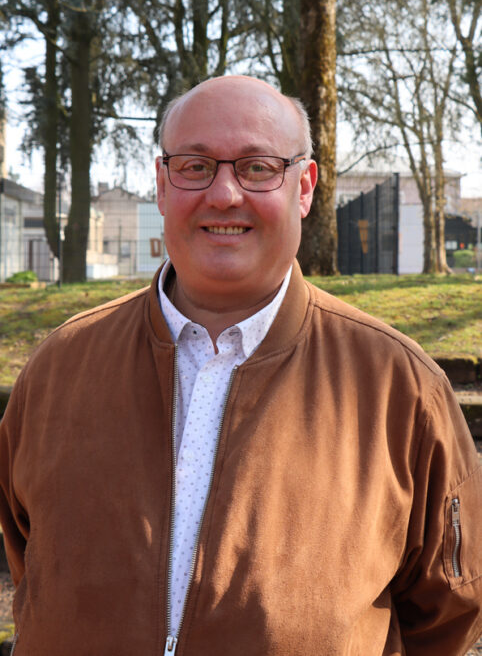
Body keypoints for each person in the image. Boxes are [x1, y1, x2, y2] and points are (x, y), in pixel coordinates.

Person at [0, 75, 481, 656]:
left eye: (257, 168)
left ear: (304, 188)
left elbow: (451, 610)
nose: (225, 194)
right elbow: (31, 562)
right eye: (195, 166)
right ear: (162, 185)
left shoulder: (398, 389)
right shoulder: (60, 368)